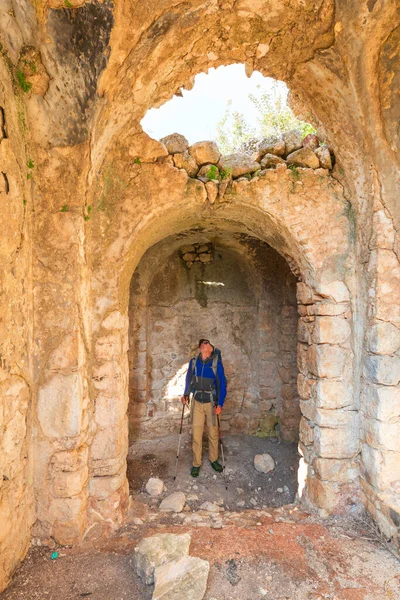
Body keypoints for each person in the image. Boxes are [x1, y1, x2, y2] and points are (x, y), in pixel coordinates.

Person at [181, 338, 227, 477]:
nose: (203, 344)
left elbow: (222, 385)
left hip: (211, 403)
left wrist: (220, 404)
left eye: (206, 343)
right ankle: (196, 463)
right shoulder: (194, 362)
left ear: (211, 349)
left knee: (213, 433)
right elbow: (189, 379)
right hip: (197, 402)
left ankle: (214, 460)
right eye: (201, 343)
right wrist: (186, 394)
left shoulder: (216, 364)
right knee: (196, 433)